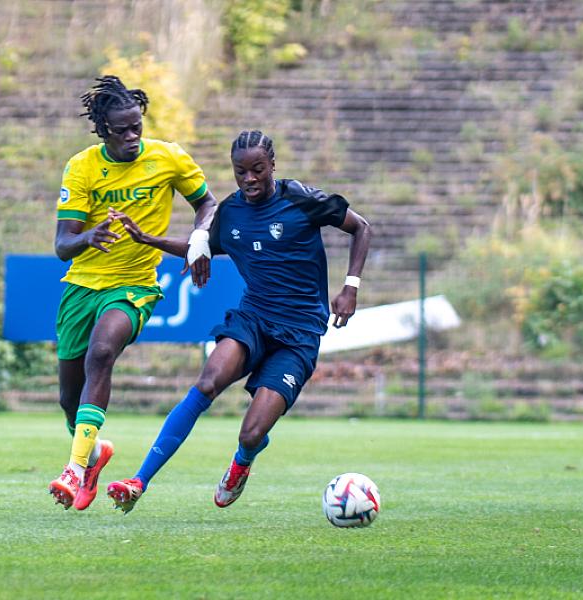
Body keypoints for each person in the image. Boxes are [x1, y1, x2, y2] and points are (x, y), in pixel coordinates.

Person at [106, 129, 371, 512]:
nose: (249, 179)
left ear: (272, 165)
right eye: (240, 171)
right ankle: (138, 482)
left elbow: (361, 227)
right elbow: (199, 248)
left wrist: (351, 287)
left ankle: (243, 460)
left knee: (251, 434)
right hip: (254, 319)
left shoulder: (301, 199)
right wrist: (148, 239)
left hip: (298, 336)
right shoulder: (230, 212)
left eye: (258, 169)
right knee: (207, 382)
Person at [49, 75, 217, 511]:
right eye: (122, 130)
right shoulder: (82, 167)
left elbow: (207, 203)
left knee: (102, 351)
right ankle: (93, 455)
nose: (132, 137)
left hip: (135, 284)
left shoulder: (169, 158)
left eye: (137, 127)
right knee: (69, 398)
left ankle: (73, 469)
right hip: (82, 286)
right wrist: (88, 237)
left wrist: (200, 238)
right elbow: (62, 245)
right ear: (103, 130)